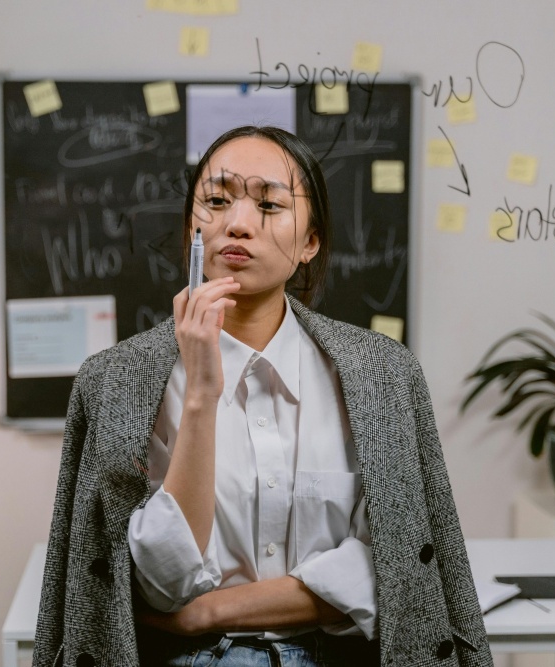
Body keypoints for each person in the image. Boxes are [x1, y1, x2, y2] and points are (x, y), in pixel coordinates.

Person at [33, 126, 493, 667]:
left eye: (271, 205)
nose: (238, 223)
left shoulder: (382, 376)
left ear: (309, 242)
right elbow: (157, 585)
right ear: (192, 230)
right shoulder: (115, 382)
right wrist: (202, 395)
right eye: (217, 200)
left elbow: (393, 567)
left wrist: (213, 611)